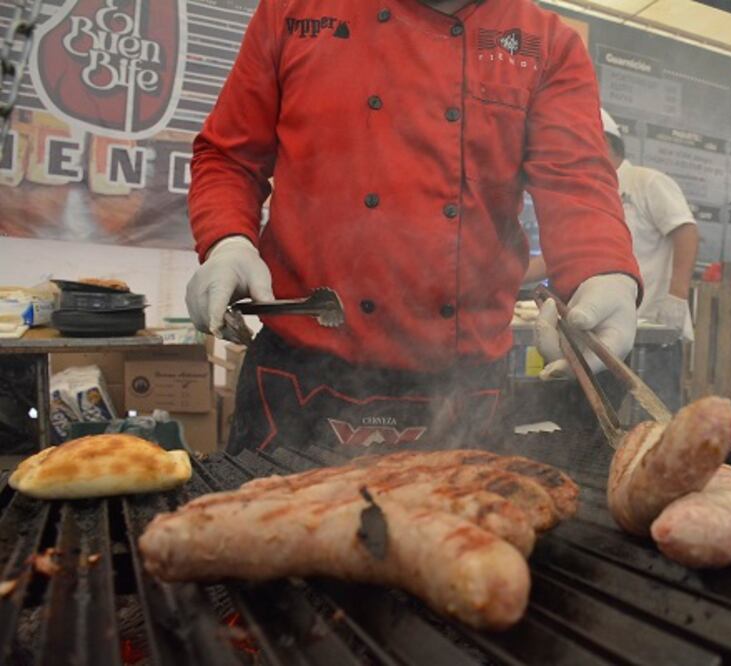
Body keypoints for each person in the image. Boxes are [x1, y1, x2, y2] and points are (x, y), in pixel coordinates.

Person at [184, 1, 641, 453]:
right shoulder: (294, 10)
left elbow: (576, 180)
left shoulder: (546, 43)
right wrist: (228, 241)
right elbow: (230, 157)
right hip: (299, 375)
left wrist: (603, 271)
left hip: (464, 385)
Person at [535, 109, 699, 411]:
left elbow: (686, 231)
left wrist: (677, 295)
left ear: (602, 145)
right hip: (601, 327)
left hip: (652, 325)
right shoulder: (585, 197)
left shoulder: (645, 182)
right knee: (610, 416)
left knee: (654, 417)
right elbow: (560, 258)